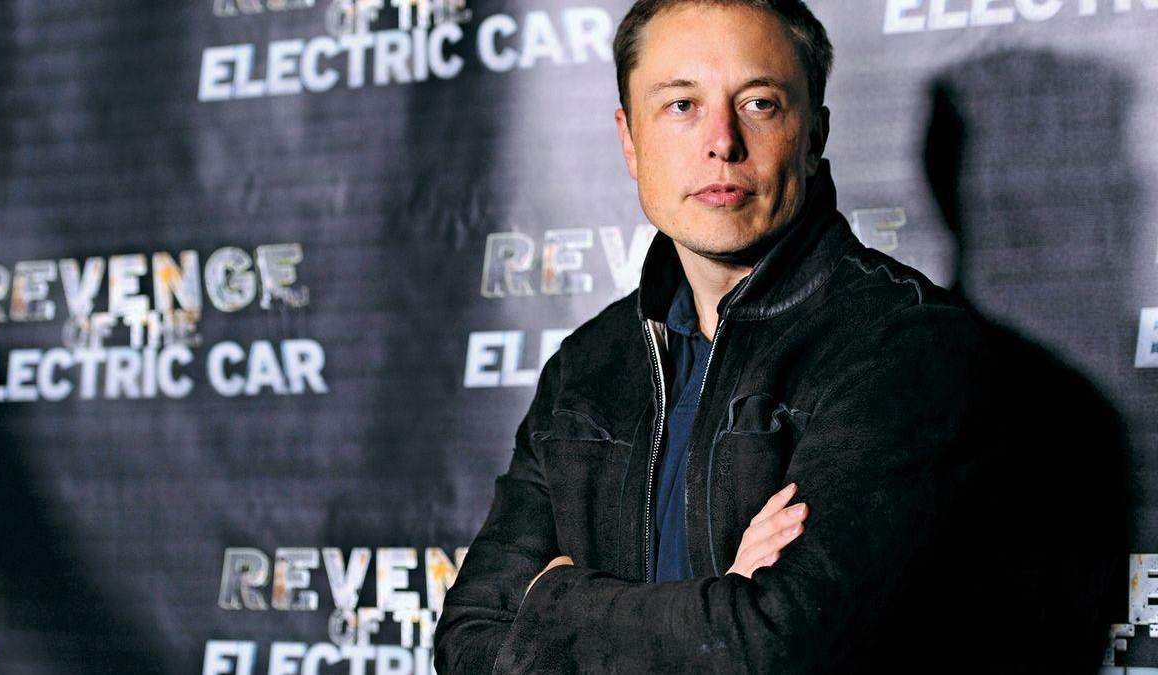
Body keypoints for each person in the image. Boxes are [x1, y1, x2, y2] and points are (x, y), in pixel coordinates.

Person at [434, 1, 1107, 672]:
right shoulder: (586, 366)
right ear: (630, 140)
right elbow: (466, 639)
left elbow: (771, 647)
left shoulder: (906, 345)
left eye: (759, 104)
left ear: (814, 136)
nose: (722, 141)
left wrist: (552, 604)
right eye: (681, 105)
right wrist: (722, 602)